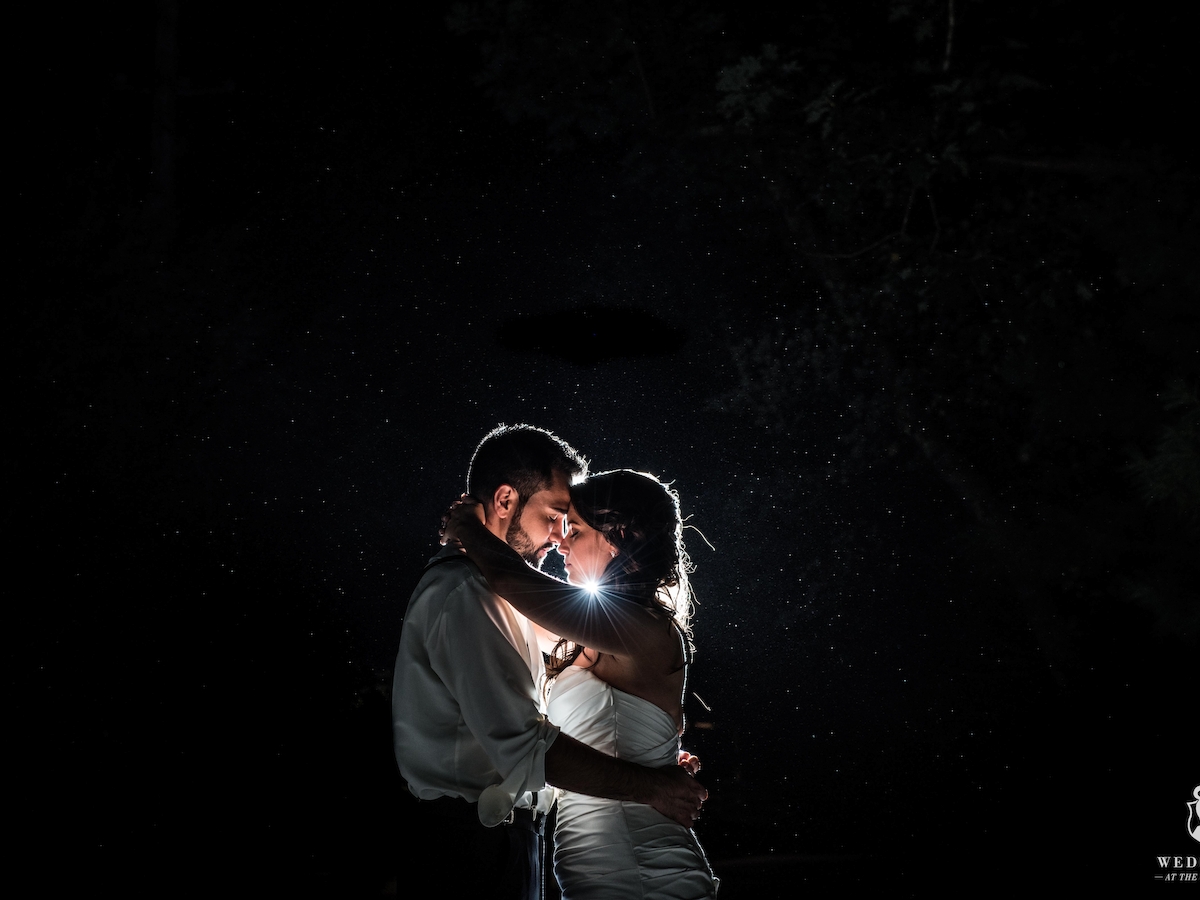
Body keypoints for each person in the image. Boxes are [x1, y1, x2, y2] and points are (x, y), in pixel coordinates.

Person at [392, 425, 707, 900]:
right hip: (489, 843)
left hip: (631, 861)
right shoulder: (471, 595)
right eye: (557, 517)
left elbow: (509, 576)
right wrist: (648, 773)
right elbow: (531, 740)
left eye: (574, 527)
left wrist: (467, 530)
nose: (560, 539)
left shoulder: (625, 624)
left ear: (623, 538)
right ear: (504, 500)